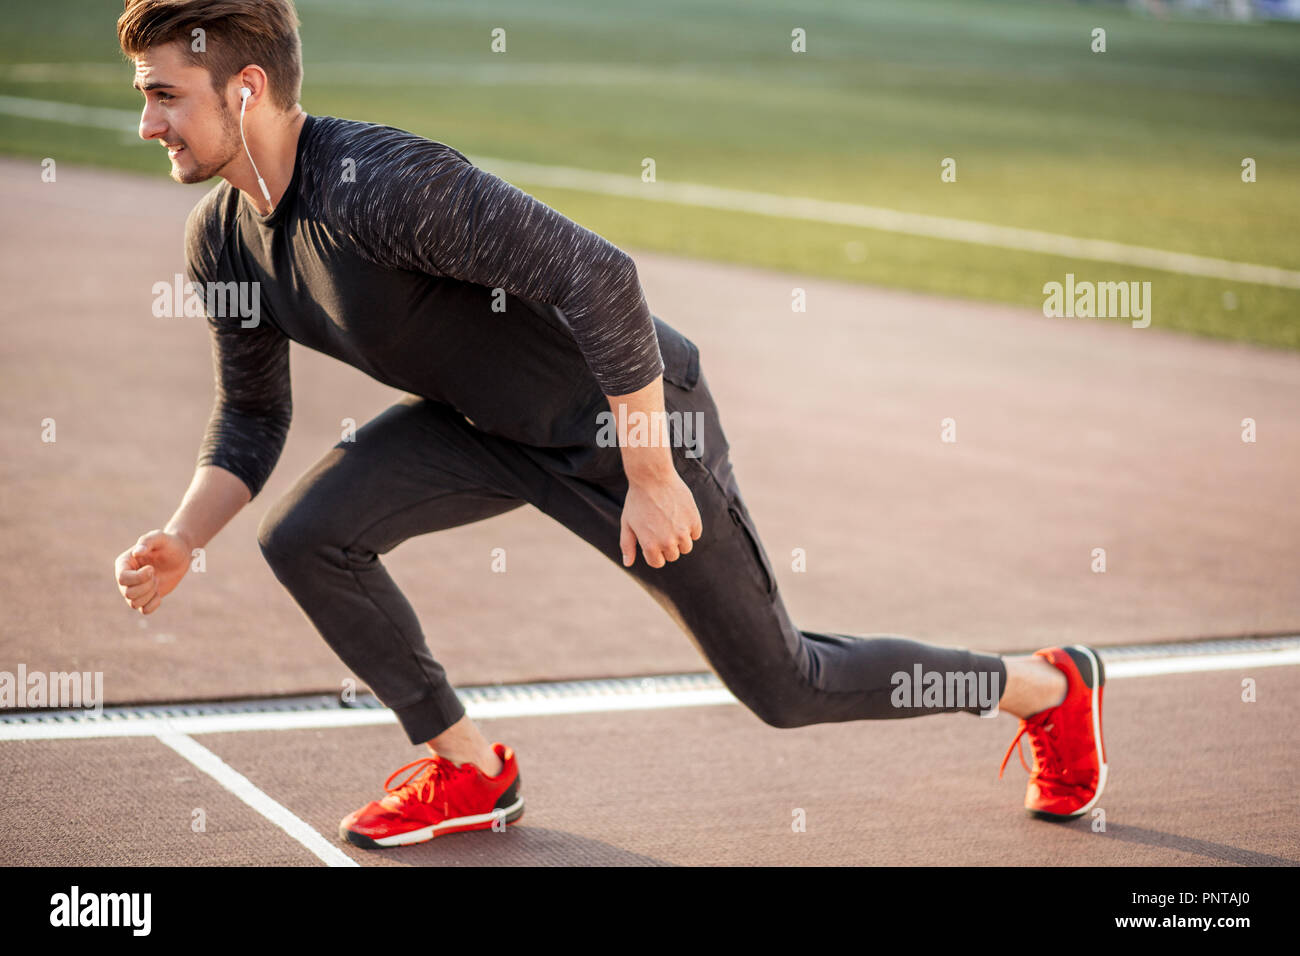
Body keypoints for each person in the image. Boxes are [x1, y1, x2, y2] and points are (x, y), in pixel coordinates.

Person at [111, 0, 1107, 849]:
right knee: (307, 536)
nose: (148, 120)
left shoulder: (379, 184)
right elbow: (252, 410)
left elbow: (598, 273)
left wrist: (655, 471)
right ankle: (467, 767)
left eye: (165, 93)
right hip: (485, 425)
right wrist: (184, 537)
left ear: (243, 88)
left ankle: (1045, 686)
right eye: (146, 93)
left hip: (624, 424)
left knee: (784, 682)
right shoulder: (223, 241)